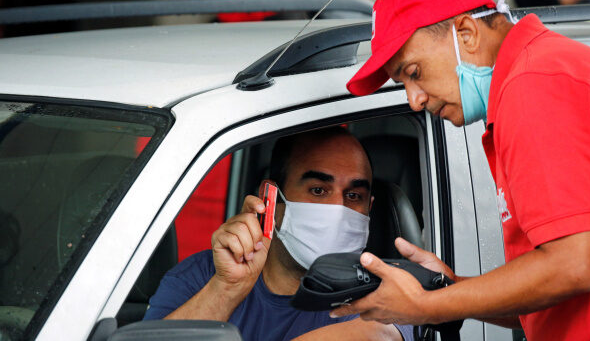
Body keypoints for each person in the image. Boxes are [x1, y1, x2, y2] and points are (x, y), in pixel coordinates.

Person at [330, 0, 590, 340]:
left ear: (467, 33)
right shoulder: (535, 73)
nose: (414, 98)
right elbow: (548, 299)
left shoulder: (532, 84)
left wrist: (424, 307)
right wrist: (450, 287)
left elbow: (570, 267)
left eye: (414, 72)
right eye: (404, 83)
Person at [144, 127, 414, 341]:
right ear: (270, 199)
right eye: (318, 190)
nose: (337, 209)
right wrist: (226, 289)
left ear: (370, 209)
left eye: (354, 195)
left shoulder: (388, 293)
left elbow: (382, 334)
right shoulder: (202, 277)